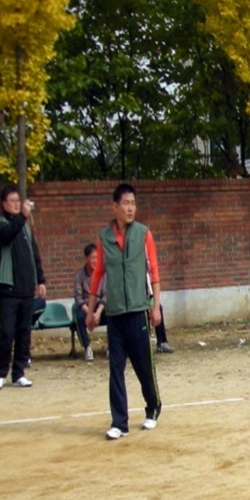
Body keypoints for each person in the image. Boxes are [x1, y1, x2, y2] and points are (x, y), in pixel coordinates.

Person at [87, 183, 163, 440]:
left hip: (139, 310)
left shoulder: (143, 234)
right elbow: (98, 274)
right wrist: (91, 310)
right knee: (115, 368)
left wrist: (155, 306)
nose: (130, 208)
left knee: (143, 366)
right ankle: (119, 422)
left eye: (133, 203)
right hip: (115, 313)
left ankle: (153, 407)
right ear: (115, 206)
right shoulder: (104, 238)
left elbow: (154, 271)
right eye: (126, 203)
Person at [75, 242, 173, 362]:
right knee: (80, 316)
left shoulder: (145, 271)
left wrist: (151, 303)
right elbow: (78, 297)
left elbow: (108, 294)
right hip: (119, 303)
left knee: (158, 308)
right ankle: (88, 347)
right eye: (92, 258)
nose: (95, 261)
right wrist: (90, 312)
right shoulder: (81, 275)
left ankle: (161, 342)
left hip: (116, 304)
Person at [0, 187, 45, 390]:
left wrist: (40, 280)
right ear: (4, 204)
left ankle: (19, 373)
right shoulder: (1, 224)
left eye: (18, 200)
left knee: (24, 332)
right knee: (7, 331)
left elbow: (35, 254)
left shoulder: (25, 227)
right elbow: (6, 236)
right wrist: (22, 216)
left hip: (27, 289)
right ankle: (0, 372)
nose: (17, 204)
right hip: (8, 289)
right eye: (12, 201)